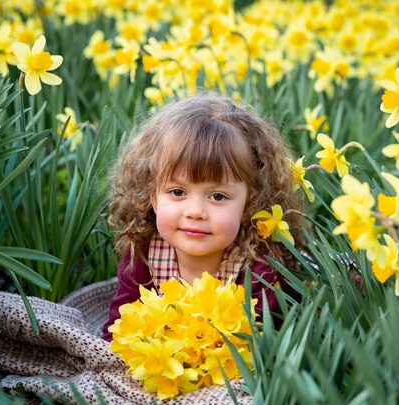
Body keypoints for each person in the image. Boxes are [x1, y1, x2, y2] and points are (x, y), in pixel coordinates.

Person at [102, 92, 308, 341]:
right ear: (154, 197)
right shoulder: (142, 256)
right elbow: (118, 331)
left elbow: (262, 345)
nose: (195, 212)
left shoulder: (259, 269)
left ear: (249, 203)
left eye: (218, 196)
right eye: (177, 192)